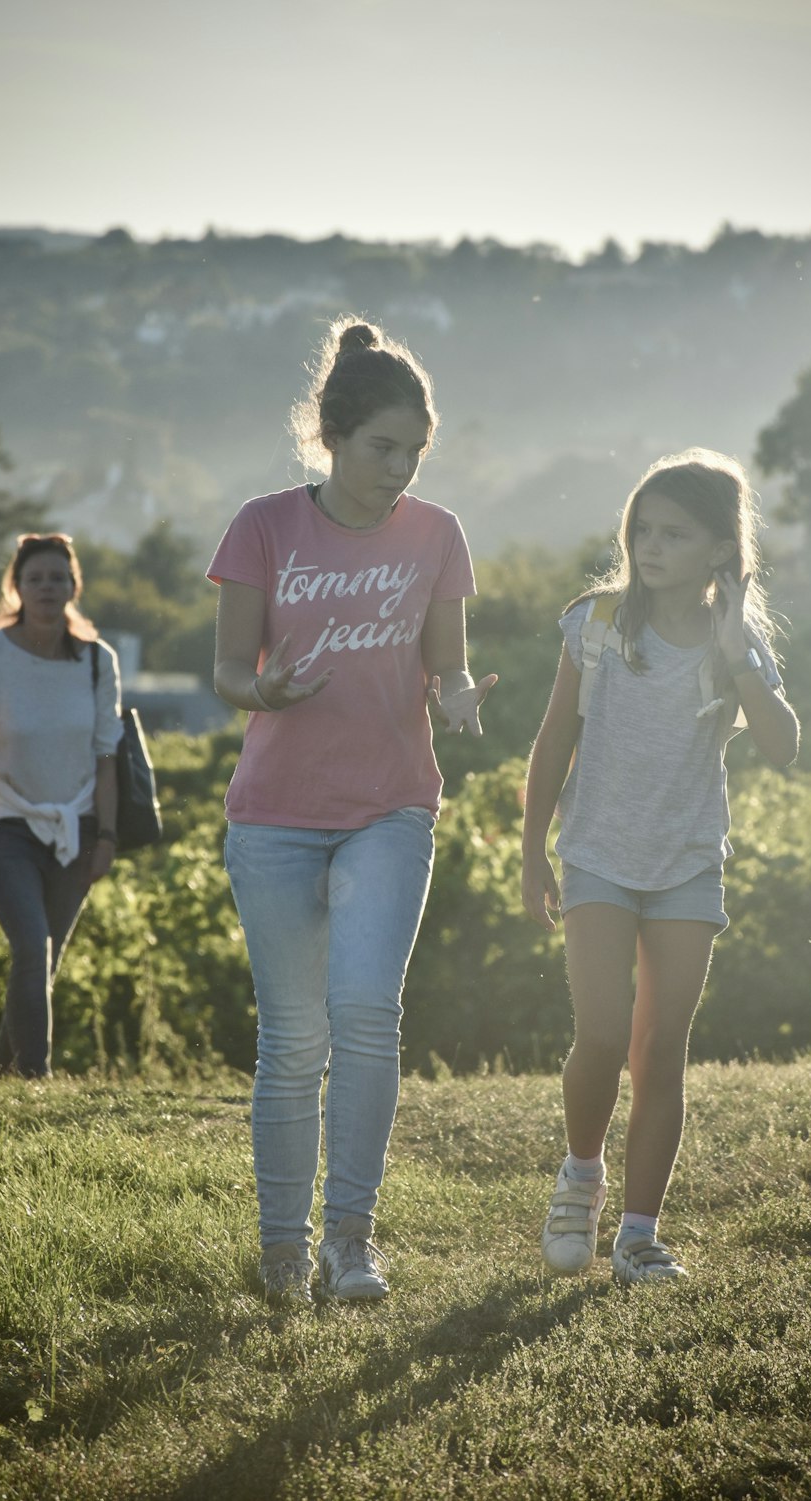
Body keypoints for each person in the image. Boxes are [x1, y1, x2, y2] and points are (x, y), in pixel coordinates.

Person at [209, 318, 496, 1308]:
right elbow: (225, 672)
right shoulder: (262, 525)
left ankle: (351, 1242)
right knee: (293, 1039)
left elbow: (447, 659)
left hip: (390, 804)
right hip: (276, 814)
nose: (401, 469)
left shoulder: (437, 535)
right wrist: (264, 690)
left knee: (366, 1010)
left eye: (415, 451)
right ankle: (282, 1247)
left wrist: (456, 694)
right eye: (384, 448)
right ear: (331, 433)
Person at [522, 449, 799, 1285]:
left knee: (660, 1051)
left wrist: (738, 652)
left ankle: (639, 1235)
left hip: (685, 868)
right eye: (643, 527)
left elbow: (784, 749)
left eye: (675, 532)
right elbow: (552, 742)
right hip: (599, 856)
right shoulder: (597, 623)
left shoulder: (735, 646)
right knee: (602, 1035)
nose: (651, 543)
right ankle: (580, 1176)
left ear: (722, 548)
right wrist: (534, 849)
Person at [0, 533, 121, 1078]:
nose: (47, 587)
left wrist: (107, 839)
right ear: (16, 587)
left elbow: (107, 756)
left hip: (78, 829)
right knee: (31, 947)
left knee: (40, 961)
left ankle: (2, 1077)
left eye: (58, 578)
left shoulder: (96, 661)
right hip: (5, 826)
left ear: (73, 587)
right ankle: (36, 1079)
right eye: (35, 578)